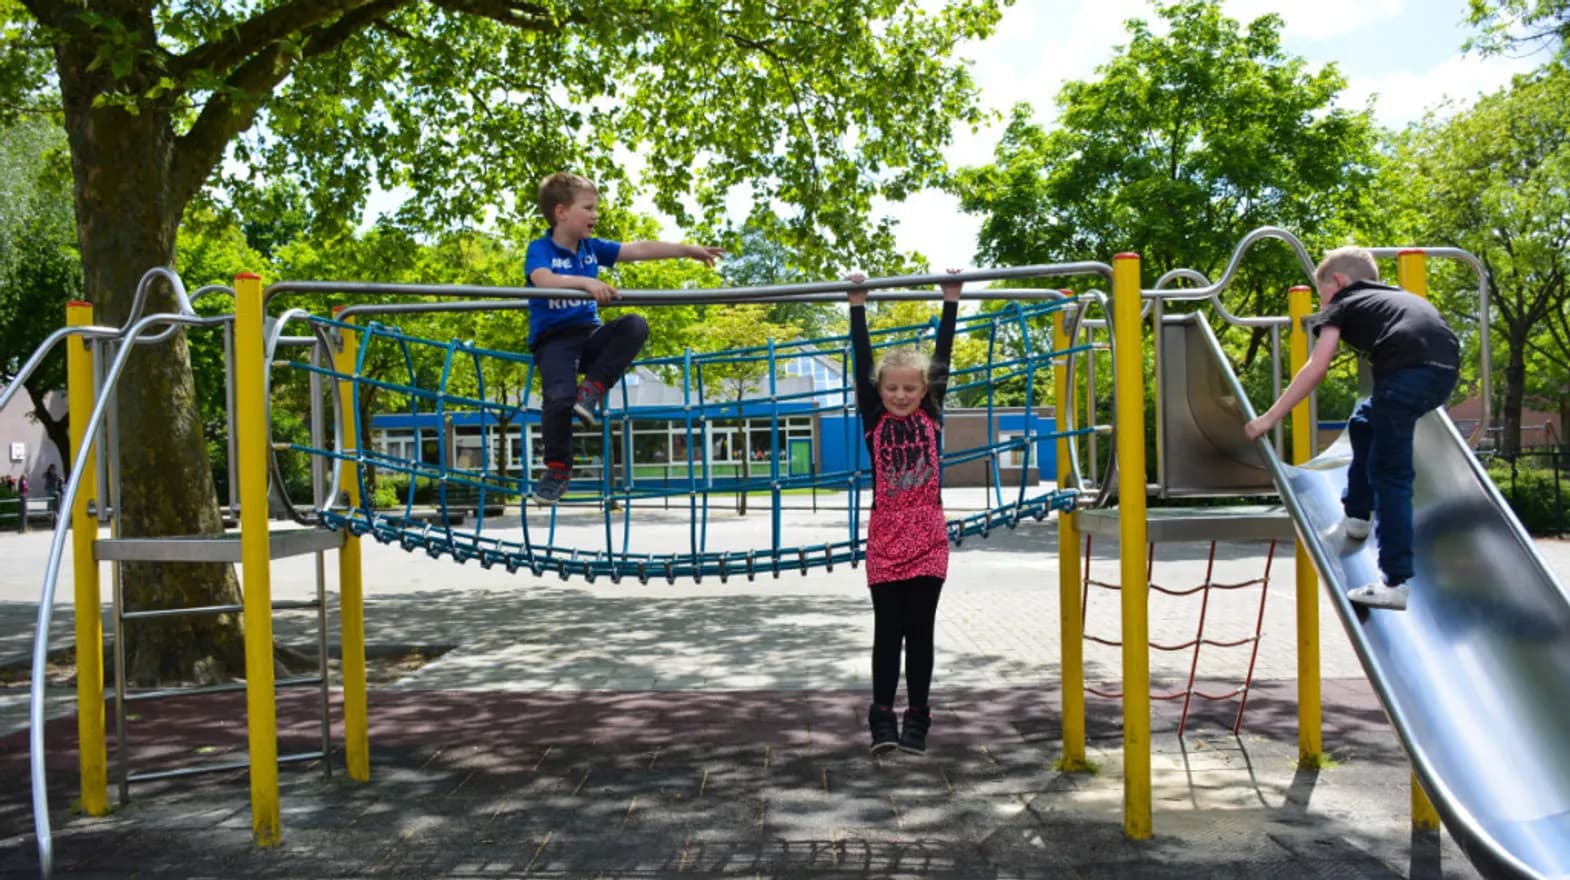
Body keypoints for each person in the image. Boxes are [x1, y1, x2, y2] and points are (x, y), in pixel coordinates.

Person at [1244, 246, 1459, 611]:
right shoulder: (1395, 296)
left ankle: (1395, 581)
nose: (1323, 302)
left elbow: (1317, 367)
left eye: (1322, 292)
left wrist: (1269, 418)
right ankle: (1357, 516)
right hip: (1443, 375)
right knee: (1363, 423)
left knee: (1391, 475)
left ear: (1339, 282)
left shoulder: (1343, 303)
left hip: (1402, 375)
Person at [525, 172, 723, 505]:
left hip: (588, 336)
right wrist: (586, 284)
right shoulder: (540, 249)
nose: (595, 215)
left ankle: (590, 392)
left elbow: (639, 249)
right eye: (588, 208)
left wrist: (686, 249)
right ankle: (557, 470)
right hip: (554, 340)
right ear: (561, 212)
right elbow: (543, 279)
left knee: (634, 325)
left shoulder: (592, 248)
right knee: (558, 398)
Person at [847, 269, 962, 755]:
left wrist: (950, 301)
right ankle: (881, 718)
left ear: (922, 392)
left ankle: (918, 716)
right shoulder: (873, 419)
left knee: (921, 634)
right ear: (880, 391)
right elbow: (861, 360)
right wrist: (857, 303)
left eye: (908, 390)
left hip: (929, 537)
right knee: (887, 634)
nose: (898, 396)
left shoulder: (930, 417)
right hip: (886, 539)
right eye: (890, 389)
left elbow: (943, 359)